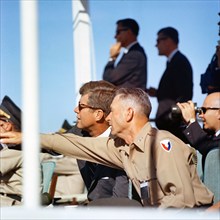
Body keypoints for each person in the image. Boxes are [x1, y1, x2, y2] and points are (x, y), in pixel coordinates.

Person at [1, 88, 214, 208]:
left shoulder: (161, 144)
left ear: (129, 114)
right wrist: (28, 137)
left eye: (112, 111)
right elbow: (75, 144)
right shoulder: (122, 148)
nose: (108, 117)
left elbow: (181, 201)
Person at [68, 80, 134, 204]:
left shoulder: (122, 141)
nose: (75, 110)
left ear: (98, 114)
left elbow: (121, 199)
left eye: (81, 106)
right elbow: (54, 143)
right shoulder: (79, 133)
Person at [148, 27, 193, 141]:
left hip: (173, 128)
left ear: (168, 41)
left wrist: (171, 117)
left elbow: (184, 94)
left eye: (158, 41)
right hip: (170, 126)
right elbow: (175, 90)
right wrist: (158, 93)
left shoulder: (179, 62)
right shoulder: (174, 62)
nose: (156, 45)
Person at [102, 18, 147, 91]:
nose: (115, 36)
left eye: (118, 32)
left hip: (129, 101)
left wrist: (112, 58)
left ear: (128, 32)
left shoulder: (134, 54)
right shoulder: (133, 52)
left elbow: (109, 79)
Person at [176, 92, 220, 157]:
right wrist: (187, 124)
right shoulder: (213, 137)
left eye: (204, 110)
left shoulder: (214, 143)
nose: (200, 115)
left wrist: (191, 121)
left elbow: (208, 147)